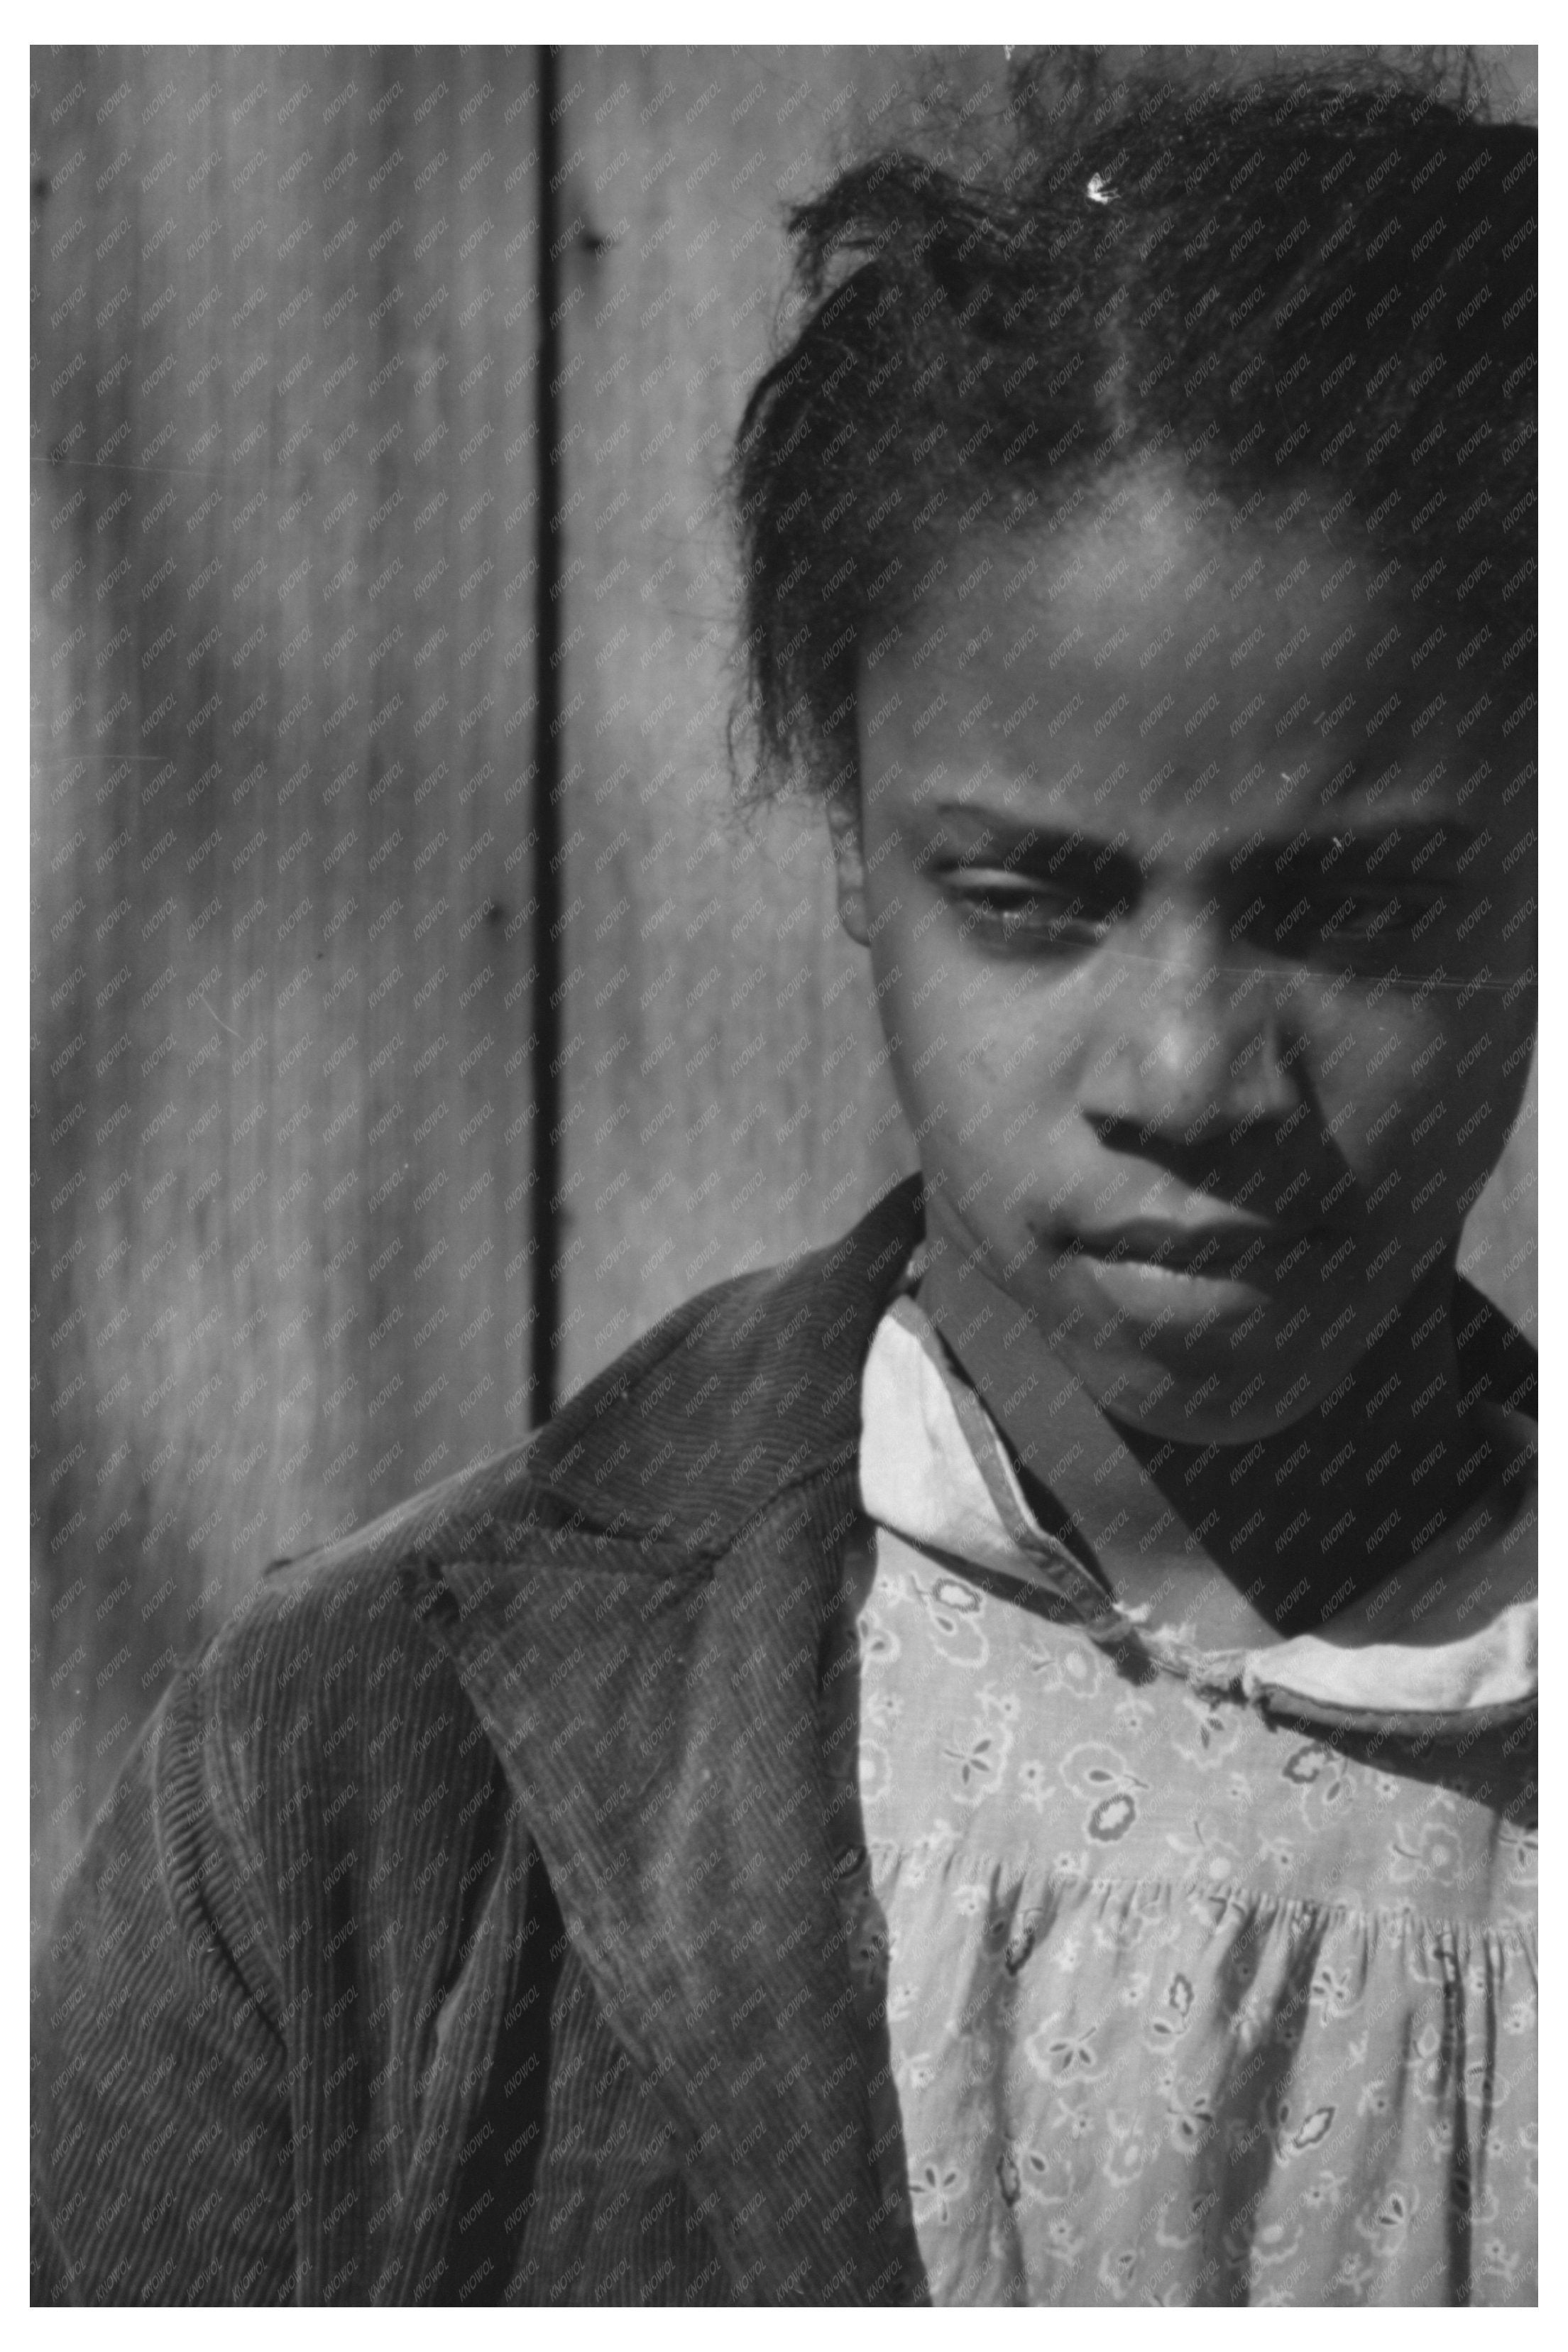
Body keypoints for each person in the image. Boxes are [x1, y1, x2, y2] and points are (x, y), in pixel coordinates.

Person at [33, 52, 1536, 2306]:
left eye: (1356, 903)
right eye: (1031, 894)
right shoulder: (366, 1788)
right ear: (849, 819)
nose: (1191, 1066)